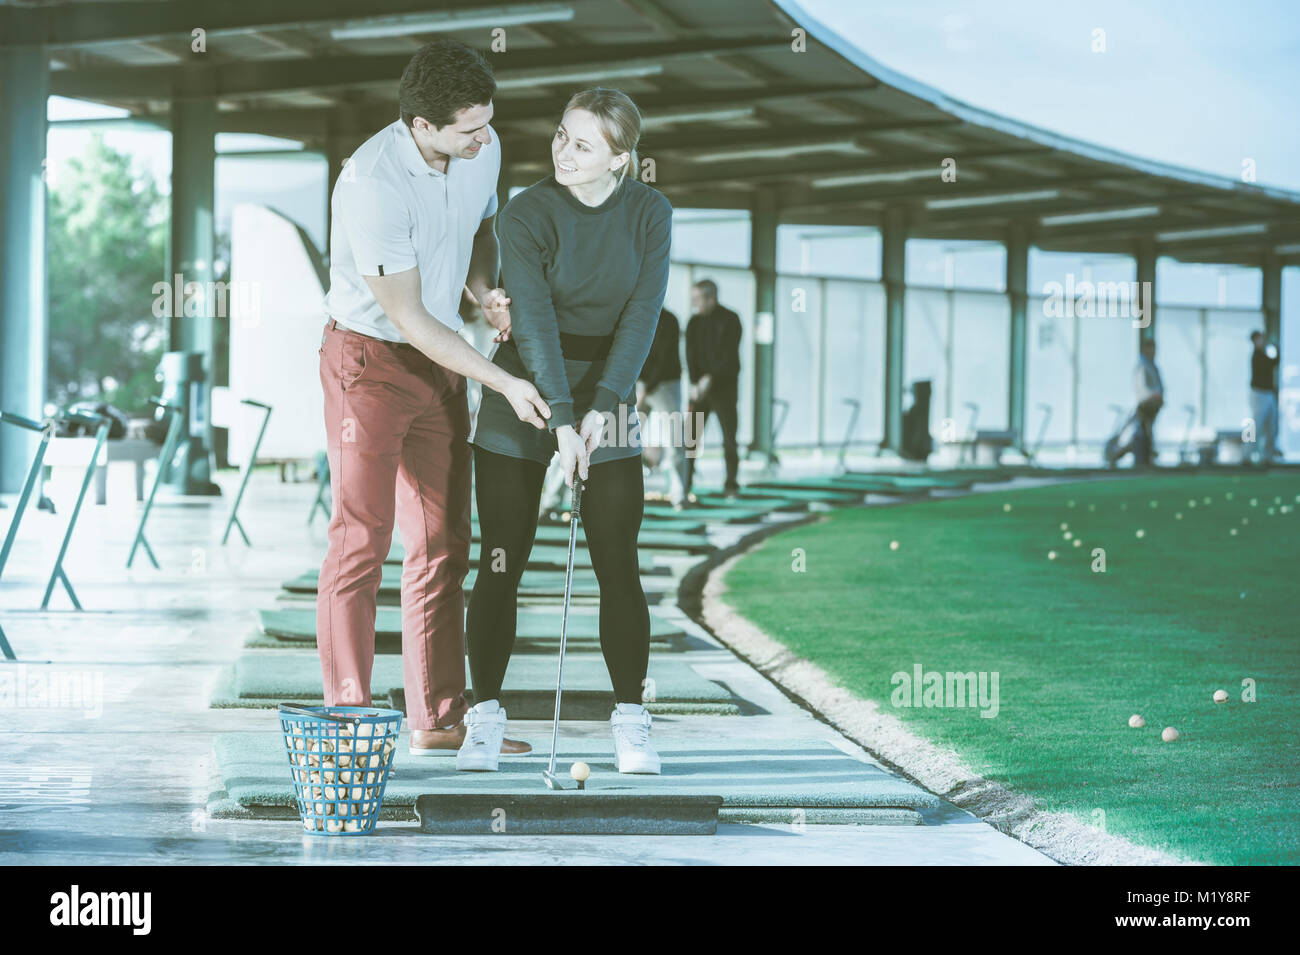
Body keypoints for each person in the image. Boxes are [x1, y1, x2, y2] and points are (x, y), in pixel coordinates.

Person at [317, 38, 547, 759]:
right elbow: (410, 316)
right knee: (362, 539)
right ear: (421, 125)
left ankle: (439, 717)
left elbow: (474, 229)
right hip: (371, 362)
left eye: (488, 122)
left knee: (446, 544)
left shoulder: (484, 146)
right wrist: (505, 378)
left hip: (443, 361)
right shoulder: (371, 183)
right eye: (468, 129)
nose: (485, 140)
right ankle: (349, 719)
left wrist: (485, 294)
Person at [460, 88, 673, 775]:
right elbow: (536, 325)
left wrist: (601, 407)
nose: (563, 151)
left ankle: (632, 722)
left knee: (618, 560)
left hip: (606, 390)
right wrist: (560, 419)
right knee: (501, 559)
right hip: (525, 385)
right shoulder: (526, 212)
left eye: (584, 144)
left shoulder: (650, 213)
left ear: (621, 158)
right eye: (560, 135)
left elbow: (643, 316)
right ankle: (484, 718)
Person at [683, 280, 742, 497]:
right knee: (690, 438)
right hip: (700, 390)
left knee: (729, 439)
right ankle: (685, 484)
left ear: (711, 298)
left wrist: (710, 378)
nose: (694, 303)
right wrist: (695, 384)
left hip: (724, 390)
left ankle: (731, 484)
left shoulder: (730, 320)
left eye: (697, 299)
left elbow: (728, 356)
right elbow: (690, 355)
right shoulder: (693, 323)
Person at [637, 307, 687, 508]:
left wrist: (645, 389)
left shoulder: (668, 320)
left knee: (675, 441)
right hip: (639, 383)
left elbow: (664, 356)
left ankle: (679, 495)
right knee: (620, 439)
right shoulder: (634, 315)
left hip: (665, 384)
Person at [1248, 331, 1281, 465]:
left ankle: (1268, 456)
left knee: (1271, 427)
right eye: (1259, 339)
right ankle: (1247, 455)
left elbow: (1274, 362)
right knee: (1255, 426)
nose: (1262, 341)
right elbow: (1270, 362)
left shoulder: (1265, 354)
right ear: (1255, 341)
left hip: (1269, 394)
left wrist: (1275, 347)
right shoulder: (1256, 356)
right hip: (1258, 394)